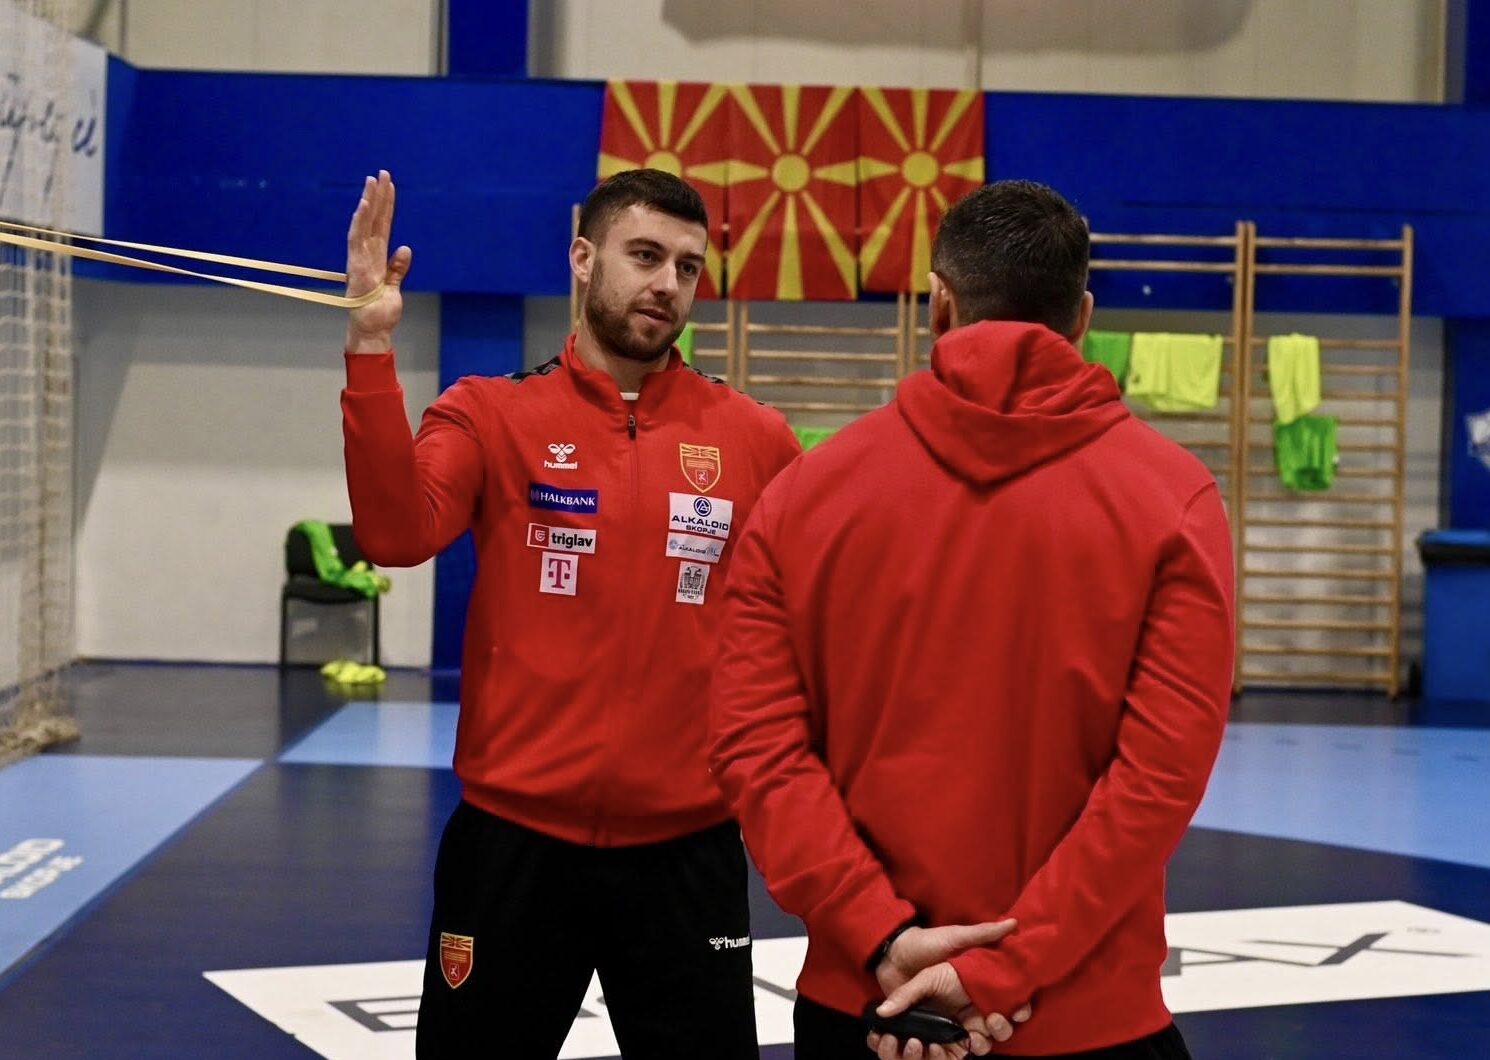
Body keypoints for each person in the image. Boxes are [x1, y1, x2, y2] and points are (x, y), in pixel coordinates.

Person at [709, 180, 1236, 1060]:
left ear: (939, 302)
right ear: (1082, 317)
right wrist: (1004, 969)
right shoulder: (1174, 500)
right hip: (1084, 1015)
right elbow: (1158, 780)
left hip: (867, 1002)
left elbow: (755, 744)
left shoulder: (805, 494)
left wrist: (882, 938)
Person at [340, 167, 803, 1058]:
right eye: (644, 255)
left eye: (688, 267)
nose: (667, 283)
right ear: (583, 258)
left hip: (688, 851)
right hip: (513, 849)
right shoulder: (488, 413)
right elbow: (395, 535)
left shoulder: (755, 438)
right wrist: (369, 347)